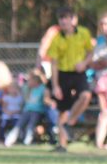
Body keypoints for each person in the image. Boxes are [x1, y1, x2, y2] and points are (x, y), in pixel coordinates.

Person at [39, 8, 94, 152]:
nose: (63, 21)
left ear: (73, 19)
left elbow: (90, 52)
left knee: (86, 96)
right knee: (61, 110)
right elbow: (54, 63)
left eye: (66, 18)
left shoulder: (83, 33)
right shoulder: (57, 38)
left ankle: (70, 122)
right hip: (62, 74)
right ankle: (62, 145)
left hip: (78, 73)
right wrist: (55, 85)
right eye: (61, 18)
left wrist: (84, 63)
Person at [4, 71, 52, 146]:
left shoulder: (43, 88)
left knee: (31, 124)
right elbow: (19, 88)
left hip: (37, 111)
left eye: (31, 80)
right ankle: (9, 140)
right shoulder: (27, 88)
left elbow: (46, 100)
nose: (28, 82)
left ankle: (27, 140)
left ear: (36, 81)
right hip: (27, 111)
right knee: (19, 124)